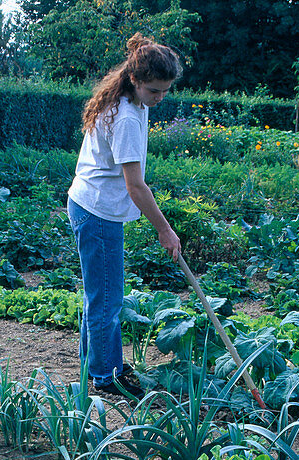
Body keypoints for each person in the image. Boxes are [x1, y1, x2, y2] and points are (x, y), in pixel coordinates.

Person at [67, 33, 183, 400]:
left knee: (99, 297)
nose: (160, 98)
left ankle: (98, 365)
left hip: (90, 205)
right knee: (107, 301)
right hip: (98, 212)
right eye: (154, 91)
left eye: (166, 91)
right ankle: (105, 376)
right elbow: (136, 187)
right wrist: (165, 231)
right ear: (135, 80)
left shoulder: (128, 100)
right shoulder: (127, 118)